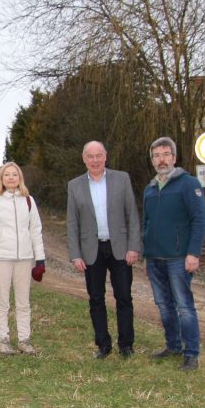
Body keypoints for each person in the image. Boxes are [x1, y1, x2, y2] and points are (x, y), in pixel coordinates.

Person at [66, 141, 141, 359]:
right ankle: (103, 345)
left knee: (124, 297)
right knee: (96, 299)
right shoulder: (75, 185)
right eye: (90, 156)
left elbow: (132, 216)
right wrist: (75, 254)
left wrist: (133, 247)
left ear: (105, 156)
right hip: (91, 250)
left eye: (99, 155)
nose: (95, 160)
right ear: (84, 159)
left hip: (120, 248)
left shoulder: (122, 178)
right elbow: (72, 223)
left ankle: (126, 345)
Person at [142, 136, 205, 371]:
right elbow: (146, 223)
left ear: (174, 158)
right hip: (155, 258)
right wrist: (146, 253)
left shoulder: (188, 184)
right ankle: (173, 345)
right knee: (163, 304)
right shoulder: (150, 189)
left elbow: (199, 220)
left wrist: (193, 253)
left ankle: (191, 353)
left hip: (179, 258)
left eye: (166, 154)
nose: (162, 160)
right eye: (157, 155)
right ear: (152, 160)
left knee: (184, 306)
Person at [0, 162, 46, 355]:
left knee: (23, 302)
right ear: (1, 179)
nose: (11, 178)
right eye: (7, 175)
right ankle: (3, 339)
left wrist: (40, 258)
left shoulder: (28, 201)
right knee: (2, 301)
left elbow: (35, 230)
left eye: (14, 175)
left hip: (24, 258)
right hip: (1, 257)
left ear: (20, 178)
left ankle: (24, 339)